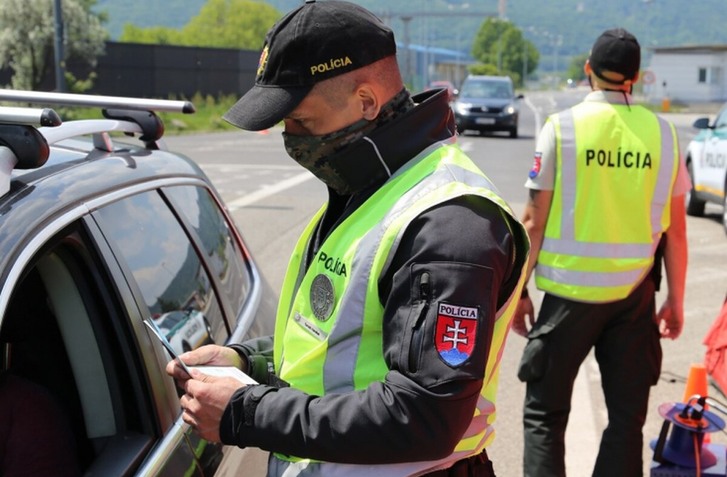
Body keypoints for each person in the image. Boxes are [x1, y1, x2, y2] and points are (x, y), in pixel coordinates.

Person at [166, 1, 530, 476]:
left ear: (365, 102)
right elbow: (346, 342)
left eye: (301, 120)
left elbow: (425, 414)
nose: (289, 137)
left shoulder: (447, 223)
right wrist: (247, 362)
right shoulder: (370, 186)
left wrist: (244, 412)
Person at [511, 28, 689, 477]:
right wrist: (675, 300)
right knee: (626, 422)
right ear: (636, 78)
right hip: (633, 298)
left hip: (567, 299)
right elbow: (678, 233)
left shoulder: (562, 128)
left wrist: (517, 291)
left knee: (545, 416)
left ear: (588, 69)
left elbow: (533, 222)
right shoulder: (665, 137)